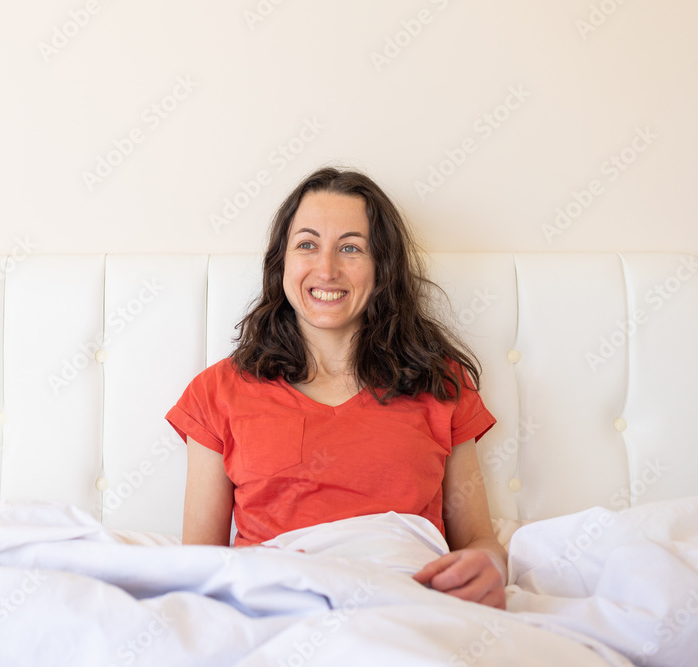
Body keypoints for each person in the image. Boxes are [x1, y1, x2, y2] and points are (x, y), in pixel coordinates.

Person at [165, 166, 507, 609]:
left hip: (403, 605)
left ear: (382, 267)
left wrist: (490, 566)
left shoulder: (440, 384)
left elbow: (478, 540)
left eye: (350, 248)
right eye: (307, 245)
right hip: (278, 610)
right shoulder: (217, 392)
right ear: (282, 262)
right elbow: (202, 566)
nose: (326, 269)